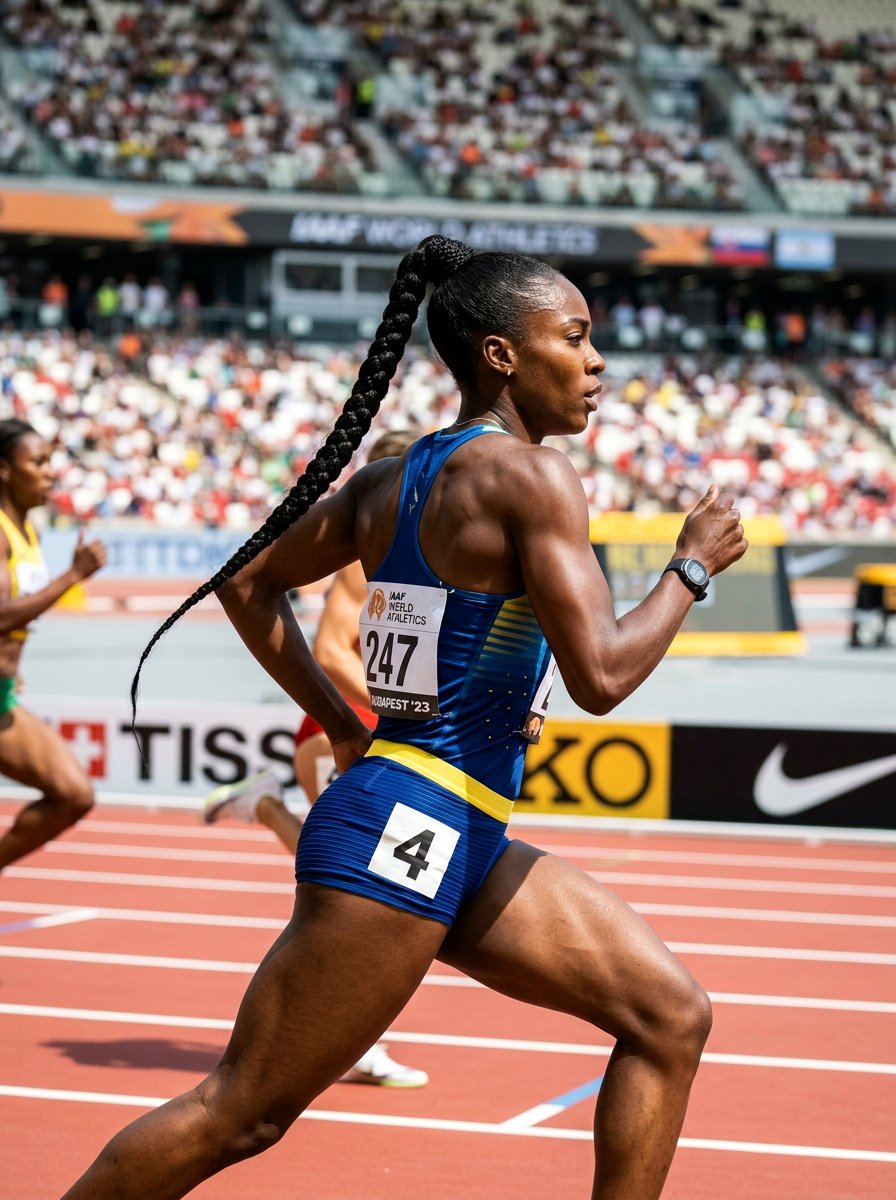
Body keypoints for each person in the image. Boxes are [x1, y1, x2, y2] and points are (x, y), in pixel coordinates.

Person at [62, 235, 747, 1200]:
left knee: (671, 1015)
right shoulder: (531, 478)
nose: (598, 363)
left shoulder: (395, 480)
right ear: (502, 354)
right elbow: (600, 674)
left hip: (446, 818)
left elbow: (248, 584)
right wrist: (690, 569)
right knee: (242, 1112)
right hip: (408, 827)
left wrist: (341, 722)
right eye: (576, 338)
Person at [202, 428, 428, 1088]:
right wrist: (402, 712)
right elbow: (331, 652)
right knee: (364, 897)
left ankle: (267, 806)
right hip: (347, 727)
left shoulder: (417, 552)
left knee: (365, 890)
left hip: (375, 730)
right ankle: (345, 1046)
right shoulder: (366, 554)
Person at [0, 419, 106, 872]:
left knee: (73, 794)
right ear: (5, 470)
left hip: (3, 697)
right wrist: (73, 575)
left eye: (49, 461)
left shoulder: (28, 531)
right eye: (37, 462)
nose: (49, 472)